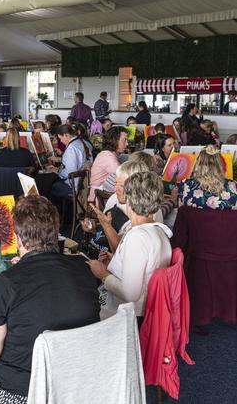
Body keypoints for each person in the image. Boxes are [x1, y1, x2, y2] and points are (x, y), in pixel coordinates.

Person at [0, 195, 100, 402]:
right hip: (74, 385)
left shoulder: (7, 283)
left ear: (18, 238)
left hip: (22, 393)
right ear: (56, 232)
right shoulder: (84, 271)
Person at [88, 171, 172, 320]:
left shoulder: (137, 237)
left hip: (127, 315)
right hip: (148, 309)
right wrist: (115, 259)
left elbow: (130, 294)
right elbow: (146, 269)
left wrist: (103, 274)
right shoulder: (159, 230)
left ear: (129, 202)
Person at [178, 146, 237, 210]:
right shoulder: (233, 186)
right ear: (220, 164)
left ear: (198, 164)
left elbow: (181, 212)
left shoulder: (186, 185)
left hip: (195, 220)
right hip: (224, 220)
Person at [48, 124, 93, 199]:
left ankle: (61, 210)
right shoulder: (83, 142)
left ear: (66, 135)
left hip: (74, 185)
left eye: (61, 138)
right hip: (84, 182)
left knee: (50, 187)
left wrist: (57, 171)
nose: (61, 141)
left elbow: (70, 173)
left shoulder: (71, 148)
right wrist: (60, 159)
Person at [88, 127, 128, 200]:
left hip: (104, 195)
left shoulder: (110, 154)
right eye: (124, 140)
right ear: (114, 141)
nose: (127, 143)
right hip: (99, 199)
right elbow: (123, 175)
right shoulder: (107, 156)